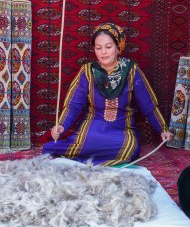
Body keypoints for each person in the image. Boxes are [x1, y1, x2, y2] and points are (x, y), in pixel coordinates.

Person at [42, 22, 174, 166]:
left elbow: (148, 105)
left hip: (122, 129)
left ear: (118, 47)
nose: (103, 52)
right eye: (98, 48)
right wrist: (62, 126)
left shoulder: (131, 71)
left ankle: (84, 163)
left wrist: (163, 129)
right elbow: (73, 105)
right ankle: (87, 161)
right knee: (74, 145)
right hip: (93, 127)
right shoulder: (87, 71)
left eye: (108, 47)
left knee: (130, 150)